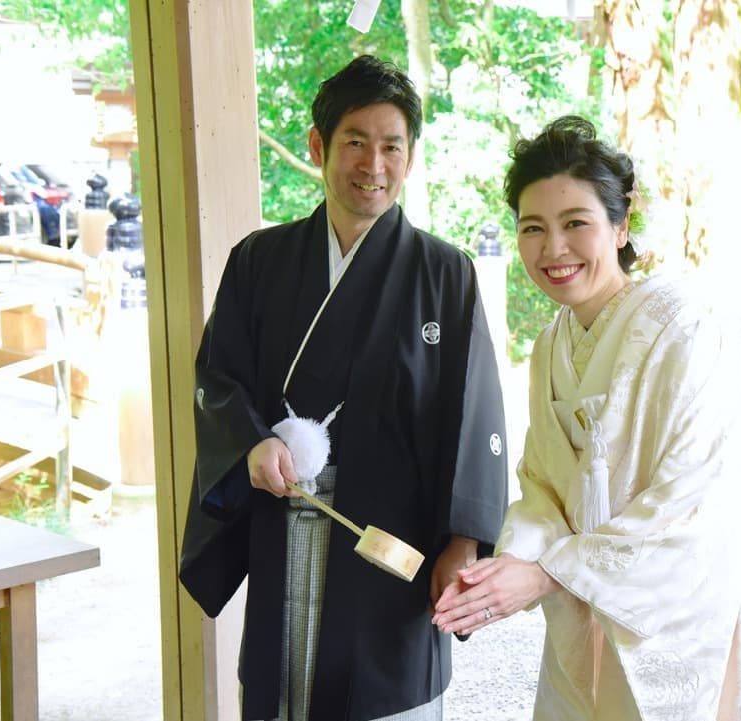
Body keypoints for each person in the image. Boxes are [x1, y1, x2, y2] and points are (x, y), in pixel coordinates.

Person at [432, 116, 741, 720]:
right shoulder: (550, 345)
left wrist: (548, 575)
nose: (552, 249)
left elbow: (692, 504)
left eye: (576, 224)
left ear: (621, 225)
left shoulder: (682, 330)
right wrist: (514, 566)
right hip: (591, 604)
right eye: (532, 228)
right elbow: (543, 486)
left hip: (685, 612)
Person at [179, 55, 509, 721]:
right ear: (318, 145)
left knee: (384, 694)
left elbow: (475, 417)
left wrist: (464, 541)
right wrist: (249, 444)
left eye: (392, 146)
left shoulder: (446, 273)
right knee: (282, 693)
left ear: (411, 155)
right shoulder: (258, 261)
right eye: (355, 142)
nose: (373, 165)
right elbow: (218, 377)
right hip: (285, 520)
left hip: (392, 550)